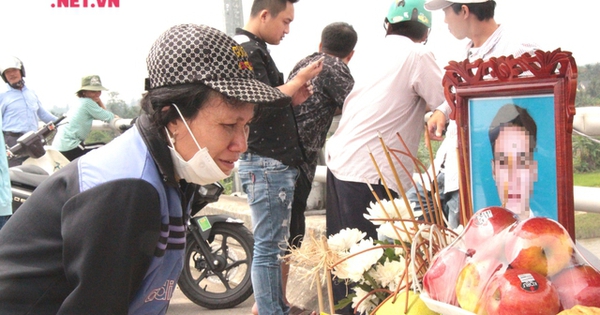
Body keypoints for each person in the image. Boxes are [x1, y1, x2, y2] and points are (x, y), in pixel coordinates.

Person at [0, 23, 290, 314]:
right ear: (171, 117)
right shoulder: (127, 190)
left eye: (247, 126)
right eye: (228, 125)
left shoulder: (173, 172)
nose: (241, 144)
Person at [324, 0, 450, 313]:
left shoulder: (373, 54)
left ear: (387, 25)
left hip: (342, 162)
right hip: (372, 172)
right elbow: (448, 98)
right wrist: (442, 112)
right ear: (424, 33)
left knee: (345, 266)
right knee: (374, 272)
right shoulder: (418, 54)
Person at [405, 0, 540, 228]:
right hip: (451, 160)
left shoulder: (517, 50)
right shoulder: (465, 52)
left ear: (464, 11)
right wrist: (442, 110)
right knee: (412, 211)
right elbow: (460, 92)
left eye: (446, 12)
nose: (445, 20)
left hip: (478, 169)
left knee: (467, 237)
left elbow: (535, 105)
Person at [233, 1, 325, 314]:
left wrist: (292, 96)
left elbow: (267, 102)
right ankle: (272, 311)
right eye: (285, 22)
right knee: (269, 247)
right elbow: (257, 101)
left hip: (269, 162)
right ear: (264, 15)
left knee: (273, 245)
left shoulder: (252, 48)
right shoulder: (247, 50)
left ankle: (275, 308)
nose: (287, 30)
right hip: (266, 162)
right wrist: (298, 80)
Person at [283, 21, 357, 313]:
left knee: (287, 231)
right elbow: (357, 106)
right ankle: (275, 303)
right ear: (351, 53)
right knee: (288, 233)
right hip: (297, 159)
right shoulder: (337, 69)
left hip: (288, 155)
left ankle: (278, 301)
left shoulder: (305, 63)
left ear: (320, 44)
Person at [0, 56, 58, 166]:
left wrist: (65, 121)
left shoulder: (31, 92)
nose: (12, 74)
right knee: (15, 174)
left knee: (40, 170)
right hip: (13, 141)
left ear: (21, 71)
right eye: (8, 72)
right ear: (4, 77)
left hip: (33, 140)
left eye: (14, 70)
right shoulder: (2, 95)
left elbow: (43, 114)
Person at [489, 104, 538, 221]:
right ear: (494, 171)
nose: (513, 177)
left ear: (533, 170)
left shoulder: (552, 237)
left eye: (522, 163)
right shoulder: (478, 238)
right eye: (504, 163)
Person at [52, 75, 117, 161]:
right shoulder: (87, 103)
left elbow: (104, 114)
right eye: (93, 91)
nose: (97, 93)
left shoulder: (79, 102)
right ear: (84, 92)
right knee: (103, 147)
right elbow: (108, 116)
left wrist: (97, 99)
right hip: (71, 147)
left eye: (99, 91)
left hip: (59, 148)